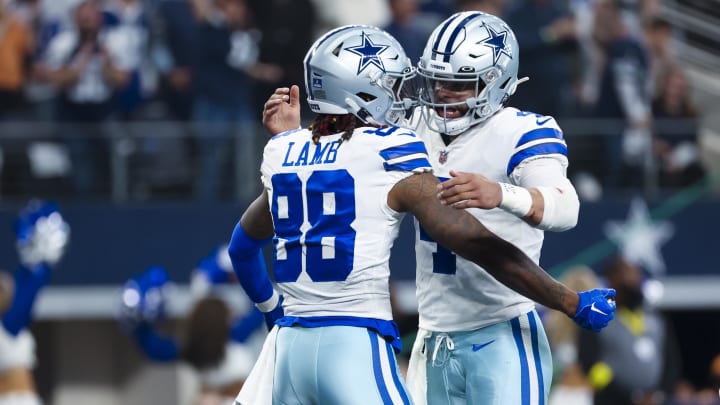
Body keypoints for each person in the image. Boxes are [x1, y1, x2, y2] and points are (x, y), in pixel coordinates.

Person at [236, 24, 615, 405]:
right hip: (431, 338)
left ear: (496, 81)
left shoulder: (520, 130)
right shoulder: (404, 133)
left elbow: (566, 209)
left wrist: (501, 193)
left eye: (460, 84)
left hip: (502, 327)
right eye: (436, 82)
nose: (444, 95)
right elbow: (346, 150)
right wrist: (569, 301)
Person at [578, 256, 682, 405]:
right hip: (612, 401)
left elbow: (671, 360)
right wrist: (628, 397)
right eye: (627, 273)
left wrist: (659, 394)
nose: (634, 279)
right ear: (611, 278)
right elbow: (590, 363)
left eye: (636, 273)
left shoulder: (656, 318)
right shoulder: (597, 317)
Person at [1, 200, 70, 405]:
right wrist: (43, 262)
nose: (6, 292)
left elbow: (20, 289)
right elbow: (29, 290)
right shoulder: (7, 327)